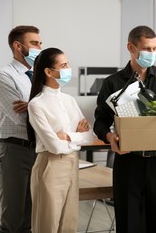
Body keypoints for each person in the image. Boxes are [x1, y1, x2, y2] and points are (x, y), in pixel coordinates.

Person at [94, 25, 156, 233]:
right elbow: (100, 121)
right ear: (130, 47)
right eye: (146, 49)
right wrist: (109, 137)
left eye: (154, 49)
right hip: (128, 163)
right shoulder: (112, 83)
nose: (152, 54)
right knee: (128, 224)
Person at [27, 47, 96, 233]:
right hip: (50, 165)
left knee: (69, 224)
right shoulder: (36, 104)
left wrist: (68, 136)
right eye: (63, 65)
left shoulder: (69, 100)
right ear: (49, 72)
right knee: (47, 225)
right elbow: (54, 146)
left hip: (73, 163)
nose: (68, 69)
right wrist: (76, 137)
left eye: (68, 65)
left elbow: (90, 137)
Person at [0, 25, 42, 233]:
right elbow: (21, 117)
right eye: (35, 43)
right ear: (18, 46)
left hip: (39, 149)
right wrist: (37, 108)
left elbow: (53, 110)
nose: (40, 47)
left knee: (31, 219)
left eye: (40, 43)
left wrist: (32, 105)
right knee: (12, 220)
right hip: (15, 151)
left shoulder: (40, 76)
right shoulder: (3, 76)